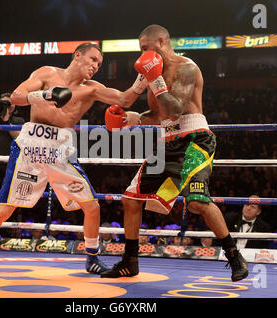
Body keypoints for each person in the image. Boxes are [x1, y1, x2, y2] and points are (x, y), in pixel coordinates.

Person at [0, 42, 147, 275]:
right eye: (93, 59)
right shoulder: (47, 72)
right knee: (5, 210)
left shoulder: (92, 89)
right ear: (78, 56)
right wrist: (46, 95)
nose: (96, 66)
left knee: (92, 206)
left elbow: (125, 99)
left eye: (99, 63)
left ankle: (92, 259)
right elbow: (16, 97)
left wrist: (145, 77)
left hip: (61, 152)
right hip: (31, 148)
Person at [100, 25, 248, 282]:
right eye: (141, 50)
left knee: (197, 203)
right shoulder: (146, 73)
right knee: (130, 200)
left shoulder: (186, 68)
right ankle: (130, 261)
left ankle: (234, 255)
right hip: (167, 141)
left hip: (195, 139)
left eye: (145, 48)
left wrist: (155, 79)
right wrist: (130, 118)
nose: (143, 53)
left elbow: (176, 111)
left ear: (161, 41)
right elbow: (156, 116)